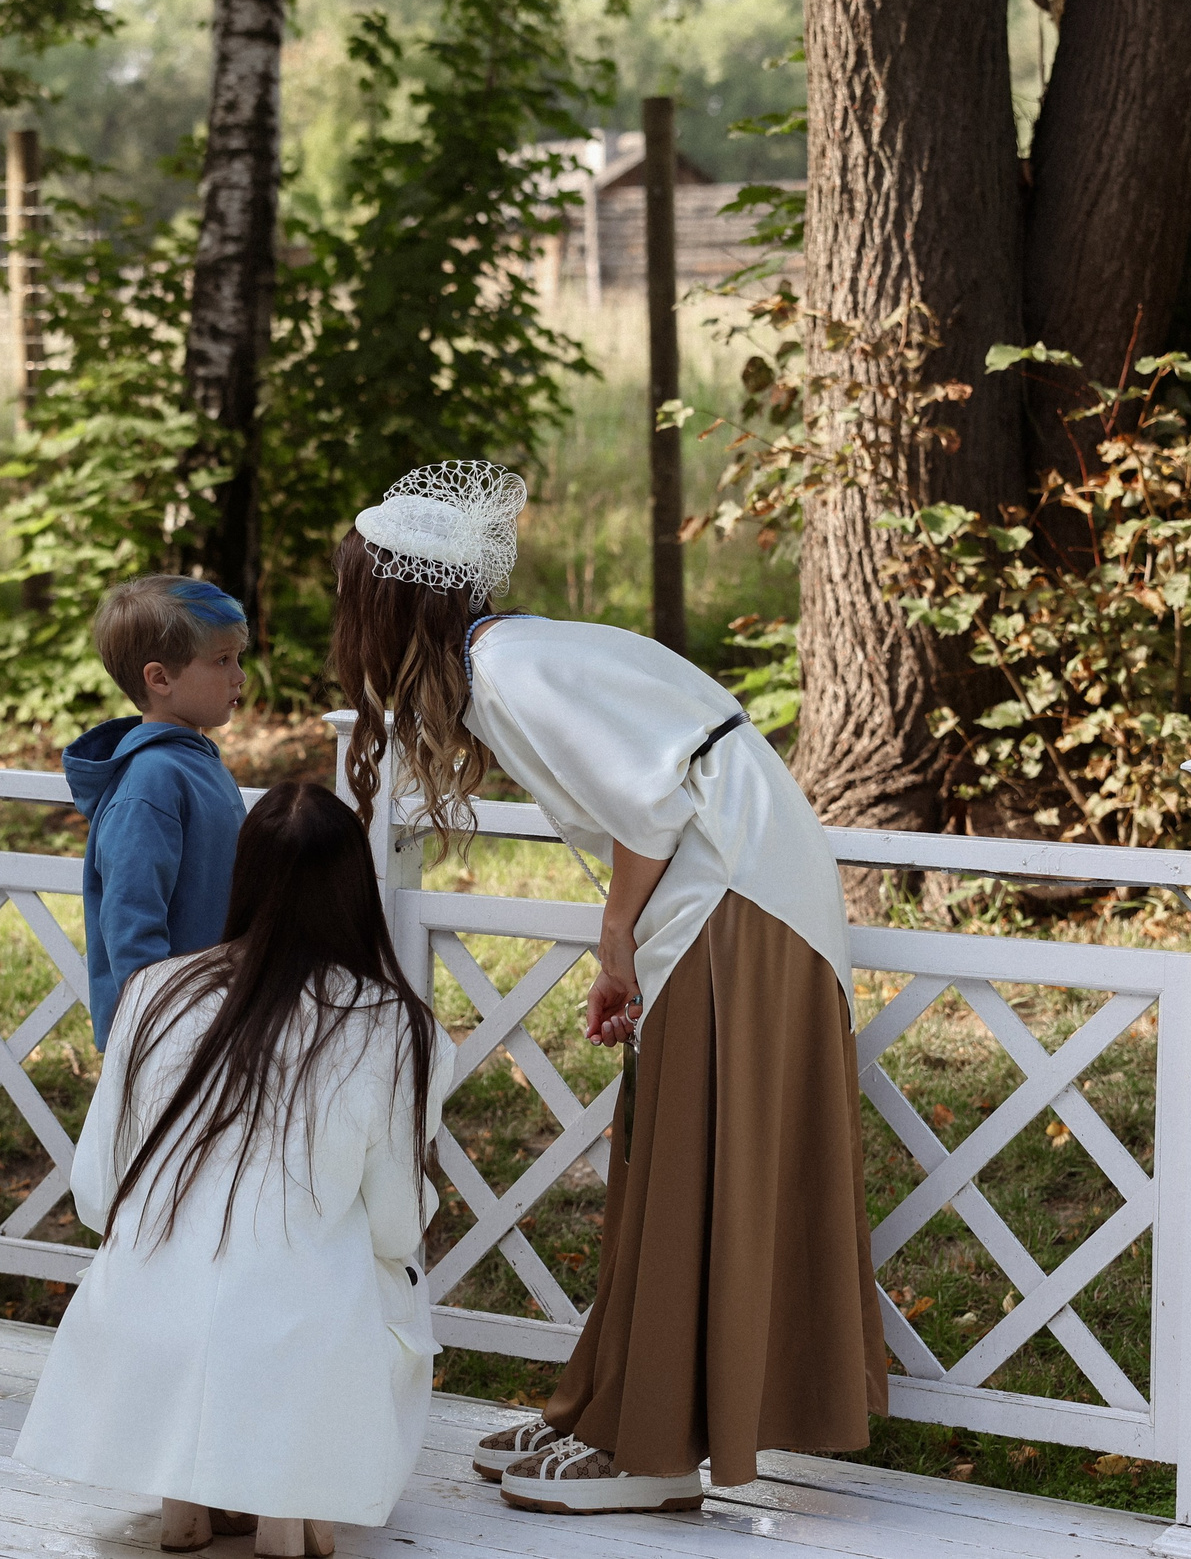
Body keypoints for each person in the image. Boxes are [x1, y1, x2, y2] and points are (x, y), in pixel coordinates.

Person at [328, 461, 887, 1516]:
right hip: (730, 887)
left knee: (684, 1153)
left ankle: (656, 1446)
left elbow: (649, 805)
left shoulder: (510, 671)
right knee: (665, 1148)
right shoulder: (509, 657)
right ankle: (618, 1411)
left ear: (394, 600)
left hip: (733, 899)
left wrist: (615, 937)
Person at [14, 782, 453, 1559]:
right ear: (356, 889)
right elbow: (395, 1224)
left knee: (205, 1267)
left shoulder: (153, 991)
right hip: (294, 1353)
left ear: (242, 875)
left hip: (141, 1333)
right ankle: (291, 1510)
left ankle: (184, 1508)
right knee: (359, 1268)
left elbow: (95, 1190)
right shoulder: (392, 1024)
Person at [63, 576, 249, 1051]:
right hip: (165, 1036)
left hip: (217, 1018)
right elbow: (132, 921)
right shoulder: (152, 780)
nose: (240, 676)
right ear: (160, 678)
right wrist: (158, 1032)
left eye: (238, 658)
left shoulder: (196, 760)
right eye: (222, 660)